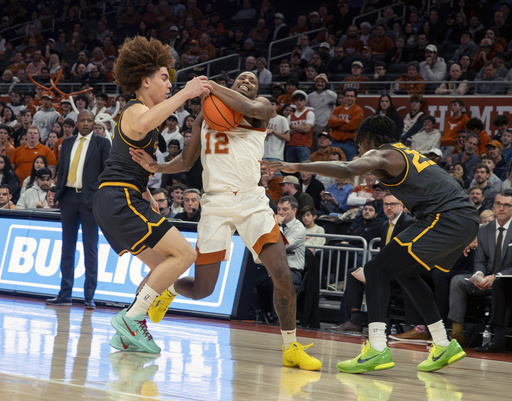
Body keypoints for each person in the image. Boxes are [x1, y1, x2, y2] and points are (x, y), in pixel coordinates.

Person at [130, 70, 322, 370]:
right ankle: (169, 290)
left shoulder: (262, 108)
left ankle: (291, 346)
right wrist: (156, 166)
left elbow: (252, 108)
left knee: (282, 274)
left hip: (252, 201)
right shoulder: (207, 118)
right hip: (215, 203)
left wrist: (210, 86)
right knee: (202, 290)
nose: (246, 82)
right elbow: (187, 160)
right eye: (240, 79)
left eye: (252, 81)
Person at [264, 114, 479, 373]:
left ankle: (377, 347)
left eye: (358, 143)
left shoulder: (384, 155)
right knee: (406, 275)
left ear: (368, 139)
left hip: (447, 217)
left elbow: (346, 169)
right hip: (460, 218)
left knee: (376, 269)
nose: (358, 149)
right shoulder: (404, 153)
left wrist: (293, 166)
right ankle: (443, 343)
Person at [91, 36, 212, 354]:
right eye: (163, 78)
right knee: (186, 255)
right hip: (119, 199)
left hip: (117, 199)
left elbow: (124, 159)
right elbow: (144, 122)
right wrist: (187, 93)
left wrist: (146, 192)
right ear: (144, 81)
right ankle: (132, 318)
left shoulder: (140, 117)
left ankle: (128, 330)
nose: (169, 84)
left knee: (164, 266)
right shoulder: (136, 110)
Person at [45, 110, 111, 308]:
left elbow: (107, 173)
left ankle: (89, 297)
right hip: (68, 197)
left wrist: (100, 197)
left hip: (90, 200)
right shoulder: (66, 142)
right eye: (82, 120)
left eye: (89, 120)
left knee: (90, 249)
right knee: (67, 248)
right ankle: (65, 294)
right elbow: (62, 169)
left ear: (94, 123)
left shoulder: (102, 143)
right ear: (76, 123)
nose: (85, 123)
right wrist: (58, 193)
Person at [448, 190, 512, 348]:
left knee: (499, 284)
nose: (501, 208)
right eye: (498, 204)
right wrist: (479, 275)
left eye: (506, 205)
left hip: (507, 282)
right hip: (486, 280)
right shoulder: (484, 229)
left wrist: (496, 276)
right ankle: (457, 334)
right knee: (458, 281)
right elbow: (480, 260)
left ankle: (497, 338)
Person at [276, 196, 306, 287]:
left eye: (285, 209)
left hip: (292, 270)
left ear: (294, 210)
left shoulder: (299, 229)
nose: (280, 212)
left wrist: (278, 225)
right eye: (278, 209)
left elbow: (280, 246)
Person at [327, 89, 364, 161]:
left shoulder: (358, 110)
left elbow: (352, 126)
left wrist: (337, 125)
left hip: (349, 143)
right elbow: (330, 123)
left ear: (355, 98)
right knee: (332, 165)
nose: (349, 98)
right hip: (335, 142)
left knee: (349, 166)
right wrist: (344, 121)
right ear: (344, 97)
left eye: (351, 96)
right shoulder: (337, 109)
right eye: (347, 96)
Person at [263, 97, 289, 161]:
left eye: (272, 104)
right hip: (262, 154)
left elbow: (287, 137)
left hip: (276, 154)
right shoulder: (261, 119)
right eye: (267, 104)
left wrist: (273, 131)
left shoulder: (282, 119)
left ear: (277, 106)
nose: (270, 106)